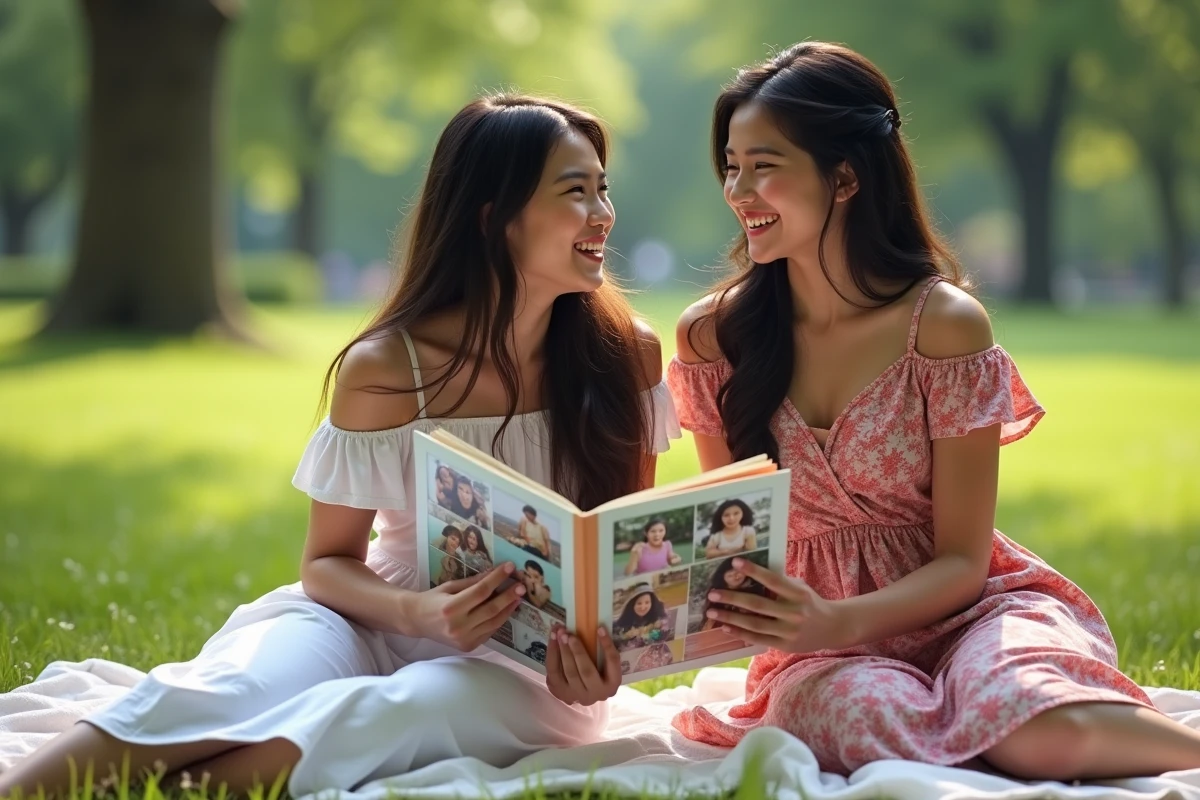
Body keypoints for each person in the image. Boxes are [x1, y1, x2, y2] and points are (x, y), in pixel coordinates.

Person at [0, 93, 681, 799]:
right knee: (234, 688)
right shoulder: (389, 368)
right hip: (371, 616)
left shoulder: (626, 356)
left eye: (603, 189)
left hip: (529, 667)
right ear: (492, 216)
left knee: (407, 709)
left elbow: (616, 562)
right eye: (576, 192)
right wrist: (419, 613)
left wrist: (604, 655)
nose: (604, 213)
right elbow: (326, 563)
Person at [666, 41, 1200, 781]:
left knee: (1040, 725)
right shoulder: (712, 339)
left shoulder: (943, 328)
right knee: (855, 714)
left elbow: (962, 563)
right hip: (822, 654)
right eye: (732, 166)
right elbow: (731, 557)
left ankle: (1010, 725)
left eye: (764, 165)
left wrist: (840, 615)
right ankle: (982, 736)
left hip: (974, 617)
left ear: (844, 177)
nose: (738, 190)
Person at [697, 557, 767, 632]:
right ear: (722, 578)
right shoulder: (716, 593)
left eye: (738, 572)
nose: (735, 576)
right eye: (730, 575)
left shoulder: (755, 586)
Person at [611, 585, 675, 652]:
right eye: (639, 603)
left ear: (652, 603)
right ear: (632, 605)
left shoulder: (660, 619)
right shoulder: (619, 626)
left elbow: (664, 636)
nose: (643, 607)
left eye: (647, 602)